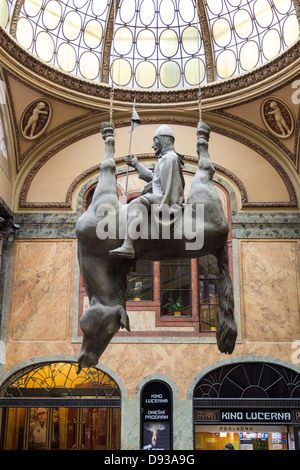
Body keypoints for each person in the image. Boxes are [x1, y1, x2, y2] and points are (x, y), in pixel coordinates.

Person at [109, 124, 185, 259]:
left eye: (155, 140)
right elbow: (157, 179)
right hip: (163, 196)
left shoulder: (170, 158)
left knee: (136, 203)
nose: (152, 145)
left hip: (167, 199)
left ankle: (128, 246)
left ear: (163, 140)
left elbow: (169, 187)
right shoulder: (166, 158)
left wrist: (155, 197)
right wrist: (137, 165)